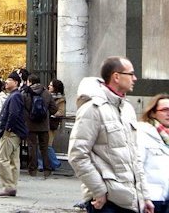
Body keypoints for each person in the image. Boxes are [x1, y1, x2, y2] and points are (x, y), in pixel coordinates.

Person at [68, 56, 154, 213]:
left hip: (130, 201)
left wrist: (145, 197)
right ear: (116, 76)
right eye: (131, 74)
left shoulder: (127, 109)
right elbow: (77, 154)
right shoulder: (92, 109)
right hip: (107, 202)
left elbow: (135, 158)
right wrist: (99, 190)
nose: (135, 78)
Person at [0, 71, 28, 197]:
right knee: (14, 160)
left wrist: (8, 128)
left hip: (11, 133)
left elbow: (13, 114)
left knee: (1, 159)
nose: (6, 82)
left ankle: (8, 186)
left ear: (15, 82)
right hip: (16, 132)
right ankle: (12, 185)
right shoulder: (16, 95)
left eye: (9, 80)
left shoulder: (14, 96)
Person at [137, 94, 169, 213]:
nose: (168, 113)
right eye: (165, 110)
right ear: (152, 113)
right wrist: (144, 197)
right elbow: (137, 166)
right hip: (152, 199)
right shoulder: (142, 132)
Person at [23, 72, 57, 177]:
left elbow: (22, 109)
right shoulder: (47, 93)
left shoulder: (26, 93)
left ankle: (32, 170)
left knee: (32, 147)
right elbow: (54, 109)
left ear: (30, 82)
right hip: (44, 125)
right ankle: (47, 169)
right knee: (44, 148)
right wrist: (46, 114)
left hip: (30, 124)